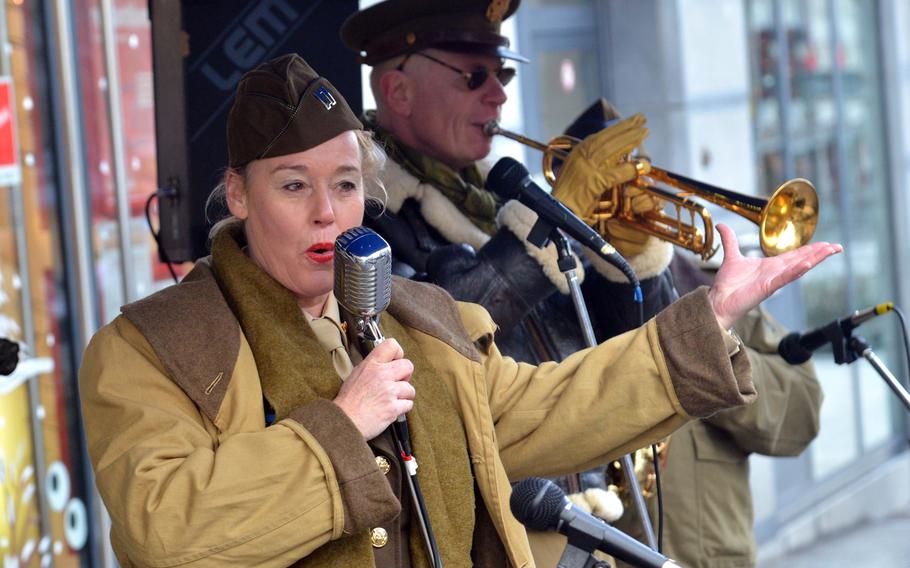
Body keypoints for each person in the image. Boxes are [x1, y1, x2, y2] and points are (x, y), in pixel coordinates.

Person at [78, 53, 839, 567]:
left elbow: (551, 407)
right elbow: (167, 527)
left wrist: (709, 318)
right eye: (291, 185)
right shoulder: (151, 348)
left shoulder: (419, 316)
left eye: (344, 185)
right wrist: (345, 423)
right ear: (239, 195)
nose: (325, 214)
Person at [553, 100, 824, 568]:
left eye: (637, 171)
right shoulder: (556, 295)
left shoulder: (705, 281)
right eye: (606, 180)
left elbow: (802, 416)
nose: (631, 189)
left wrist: (711, 352)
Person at [339, 0, 679, 368]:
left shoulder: (502, 193)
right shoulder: (363, 214)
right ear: (399, 92)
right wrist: (546, 222)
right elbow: (433, 341)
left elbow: (644, 353)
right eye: (474, 78)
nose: (499, 95)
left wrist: (629, 262)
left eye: (502, 76)